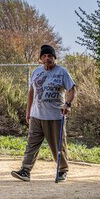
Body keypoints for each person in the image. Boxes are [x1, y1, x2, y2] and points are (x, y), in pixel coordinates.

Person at [11, 44, 76, 183]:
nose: (47, 59)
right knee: (31, 144)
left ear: (54, 58)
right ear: (41, 58)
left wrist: (67, 104)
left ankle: (62, 170)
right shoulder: (36, 72)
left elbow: (72, 90)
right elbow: (31, 92)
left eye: (50, 56)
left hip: (55, 116)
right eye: (44, 56)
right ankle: (25, 170)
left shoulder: (62, 72)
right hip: (36, 115)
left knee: (58, 145)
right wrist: (28, 112)